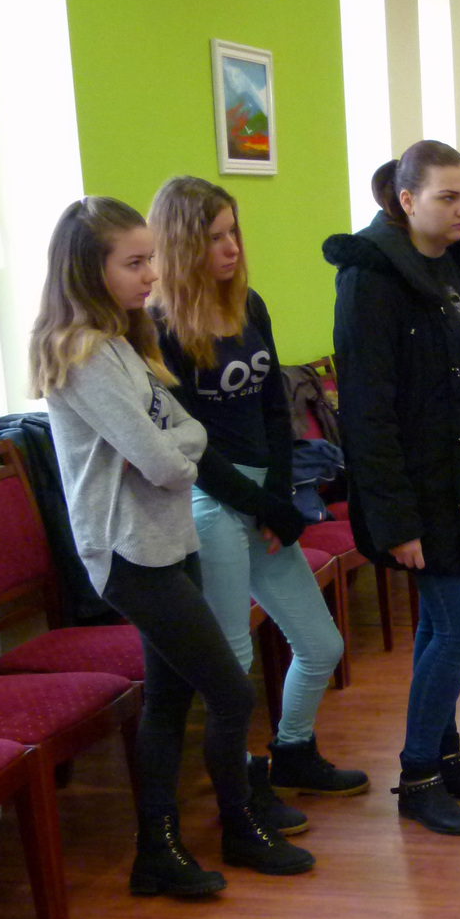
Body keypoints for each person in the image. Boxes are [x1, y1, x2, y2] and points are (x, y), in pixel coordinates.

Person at [34, 197, 314, 896]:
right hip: (127, 553)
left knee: (169, 698)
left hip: (168, 537)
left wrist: (174, 447)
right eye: (133, 263)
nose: (150, 275)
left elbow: (188, 433)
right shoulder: (84, 356)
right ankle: (238, 824)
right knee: (230, 693)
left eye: (150, 259)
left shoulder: (125, 345)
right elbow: (164, 462)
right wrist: (173, 449)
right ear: (87, 271)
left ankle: (156, 852)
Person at [324, 140, 460, 837]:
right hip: (424, 487)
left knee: (441, 625)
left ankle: (444, 758)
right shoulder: (372, 277)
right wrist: (396, 517)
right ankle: (417, 775)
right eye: (447, 197)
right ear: (406, 199)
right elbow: (367, 410)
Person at [148, 176, 367, 830]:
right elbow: (190, 448)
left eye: (233, 233)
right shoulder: (157, 327)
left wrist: (278, 494)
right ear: (180, 244)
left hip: (262, 495)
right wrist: (259, 505)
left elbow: (275, 406)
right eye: (214, 238)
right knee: (233, 665)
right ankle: (241, 787)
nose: (232, 248)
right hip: (209, 503)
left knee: (321, 644)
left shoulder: (249, 305)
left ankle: (293, 751)